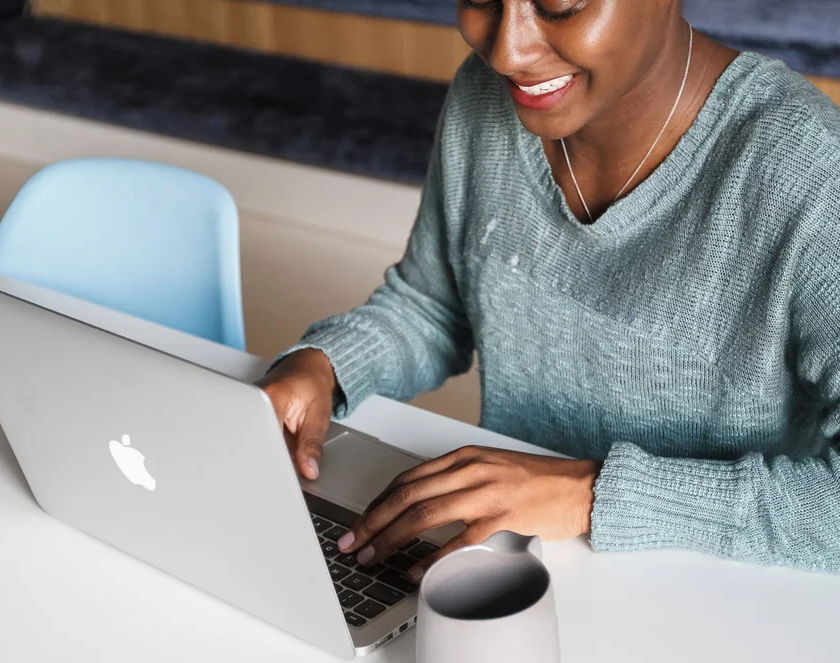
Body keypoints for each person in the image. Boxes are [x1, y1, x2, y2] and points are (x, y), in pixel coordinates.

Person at [256, 0, 840, 580]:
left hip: (714, 589)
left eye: (559, 6)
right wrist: (327, 366)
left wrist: (588, 495)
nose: (508, 51)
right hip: (508, 565)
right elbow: (433, 305)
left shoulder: (810, 168)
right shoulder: (487, 95)